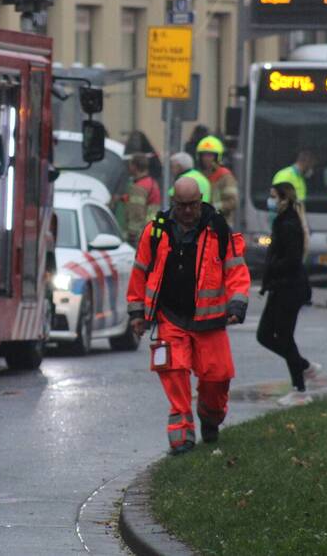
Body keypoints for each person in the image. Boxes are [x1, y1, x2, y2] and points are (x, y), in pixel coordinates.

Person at [127, 177, 250, 455]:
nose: (186, 211)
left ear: (200, 201)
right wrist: (137, 312)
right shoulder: (156, 231)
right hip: (171, 317)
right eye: (181, 205)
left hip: (211, 321)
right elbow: (140, 272)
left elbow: (236, 271)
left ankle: (211, 416)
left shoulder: (218, 229)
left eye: (191, 205)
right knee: (174, 371)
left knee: (217, 377)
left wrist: (236, 305)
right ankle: (181, 435)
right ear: (173, 203)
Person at [258, 182, 321, 406]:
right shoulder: (283, 221)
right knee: (265, 335)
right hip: (280, 287)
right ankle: (304, 366)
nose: (270, 201)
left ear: (284, 199)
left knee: (283, 337)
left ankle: (300, 390)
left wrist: (273, 266)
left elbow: (292, 259)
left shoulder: (289, 224)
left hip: (289, 288)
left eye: (274, 196)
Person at [195, 135, 239, 226]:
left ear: (217, 157)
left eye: (210, 155)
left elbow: (233, 202)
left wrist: (213, 207)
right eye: (204, 155)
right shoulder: (197, 176)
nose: (206, 158)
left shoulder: (225, 176)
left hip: (220, 224)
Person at [119, 153, 162, 244]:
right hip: (151, 231)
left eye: (130, 165)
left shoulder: (139, 187)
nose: (129, 167)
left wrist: (131, 235)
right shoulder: (152, 183)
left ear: (134, 166)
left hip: (139, 235)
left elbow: (137, 213)